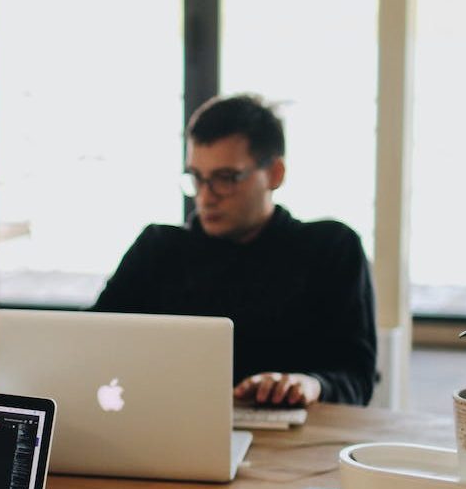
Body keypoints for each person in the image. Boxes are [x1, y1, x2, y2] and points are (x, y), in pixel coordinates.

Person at [93, 93, 377, 406]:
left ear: (275, 174)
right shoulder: (157, 248)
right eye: (197, 178)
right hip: (169, 430)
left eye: (225, 178)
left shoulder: (331, 248)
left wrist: (310, 384)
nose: (205, 197)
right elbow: (90, 342)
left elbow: (357, 378)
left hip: (294, 441)